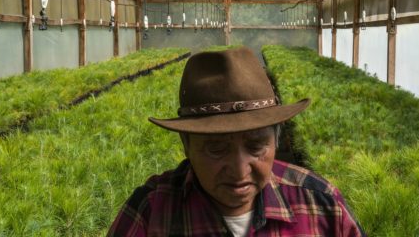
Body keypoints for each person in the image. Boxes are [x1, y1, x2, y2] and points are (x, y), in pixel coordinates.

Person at [108, 46, 365, 236]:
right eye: (217, 149)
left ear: (277, 139)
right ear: (186, 144)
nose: (240, 169)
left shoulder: (321, 205)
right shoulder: (151, 212)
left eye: (255, 147)